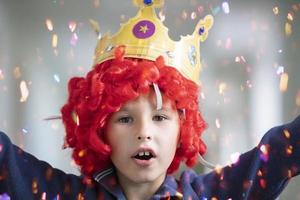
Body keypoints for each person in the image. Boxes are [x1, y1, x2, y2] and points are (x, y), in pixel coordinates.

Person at [0, 0, 299, 199]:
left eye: (159, 117)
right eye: (125, 118)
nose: (144, 131)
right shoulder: (66, 194)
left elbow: (280, 150)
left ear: (183, 129)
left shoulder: (209, 194)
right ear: (100, 131)